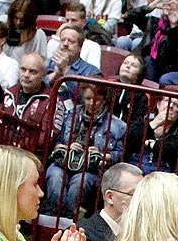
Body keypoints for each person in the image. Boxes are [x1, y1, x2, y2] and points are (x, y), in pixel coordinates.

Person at [45, 79, 125, 218]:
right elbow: (55, 142)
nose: (92, 103)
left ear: (105, 100)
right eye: (88, 98)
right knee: (54, 176)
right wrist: (66, 147)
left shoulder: (117, 125)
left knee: (80, 182)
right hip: (64, 162)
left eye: (97, 99)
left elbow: (120, 154)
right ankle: (58, 218)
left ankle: (68, 220)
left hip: (91, 169)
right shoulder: (70, 115)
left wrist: (101, 155)